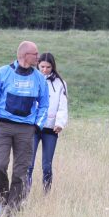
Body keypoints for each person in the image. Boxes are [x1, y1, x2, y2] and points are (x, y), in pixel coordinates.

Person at [0, 41, 49, 216]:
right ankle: (2, 201)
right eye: (35, 54)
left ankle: (13, 209)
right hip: (3, 127)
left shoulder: (39, 78)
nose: (38, 56)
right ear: (24, 55)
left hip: (26, 129)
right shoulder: (3, 73)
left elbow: (44, 104)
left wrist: (37, 125)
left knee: (21, 171)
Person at [27, 52, 68, 193]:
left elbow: (63, 105)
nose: (45, 70)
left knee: (46, 165)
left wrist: (60, 123)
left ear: (53, 67)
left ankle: (46, 193)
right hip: (33, 128)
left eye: (48, 67)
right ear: (38, 65)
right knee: (28, 164)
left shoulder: (60, 84)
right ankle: (25, 192)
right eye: (42, 66)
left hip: (51, 129)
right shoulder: (31, 79)